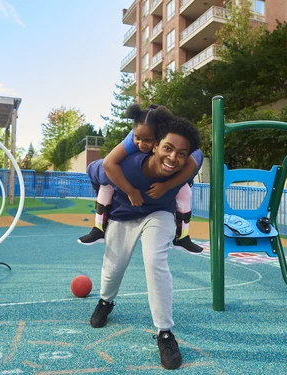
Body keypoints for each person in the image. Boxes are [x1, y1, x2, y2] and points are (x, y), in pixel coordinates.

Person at [86, 116, 203, 370]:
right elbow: (99, 168)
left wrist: (166, 186)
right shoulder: (126, 165)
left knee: (154, 260)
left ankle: (165, 332)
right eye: (168, 149)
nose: (173, 157)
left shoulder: (188, 163)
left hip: (159, 215)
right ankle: (106, 301)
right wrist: (119, 193)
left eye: (181, 153)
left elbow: (197, 157)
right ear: (154, 145)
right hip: (124, 214)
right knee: (114, 267)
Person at [78, 103, 203, 253]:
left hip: (163, 182)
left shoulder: (170, 138)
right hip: (129, 180)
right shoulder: (133, 140)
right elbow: (108, 163)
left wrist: (167, 186)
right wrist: (130, 191)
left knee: (184, 190)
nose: (141, 144)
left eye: (147, 140)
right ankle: (99, 228)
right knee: (108, 182)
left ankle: (182, 235)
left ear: (159, 138)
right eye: (138, 138)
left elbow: (192, 163)